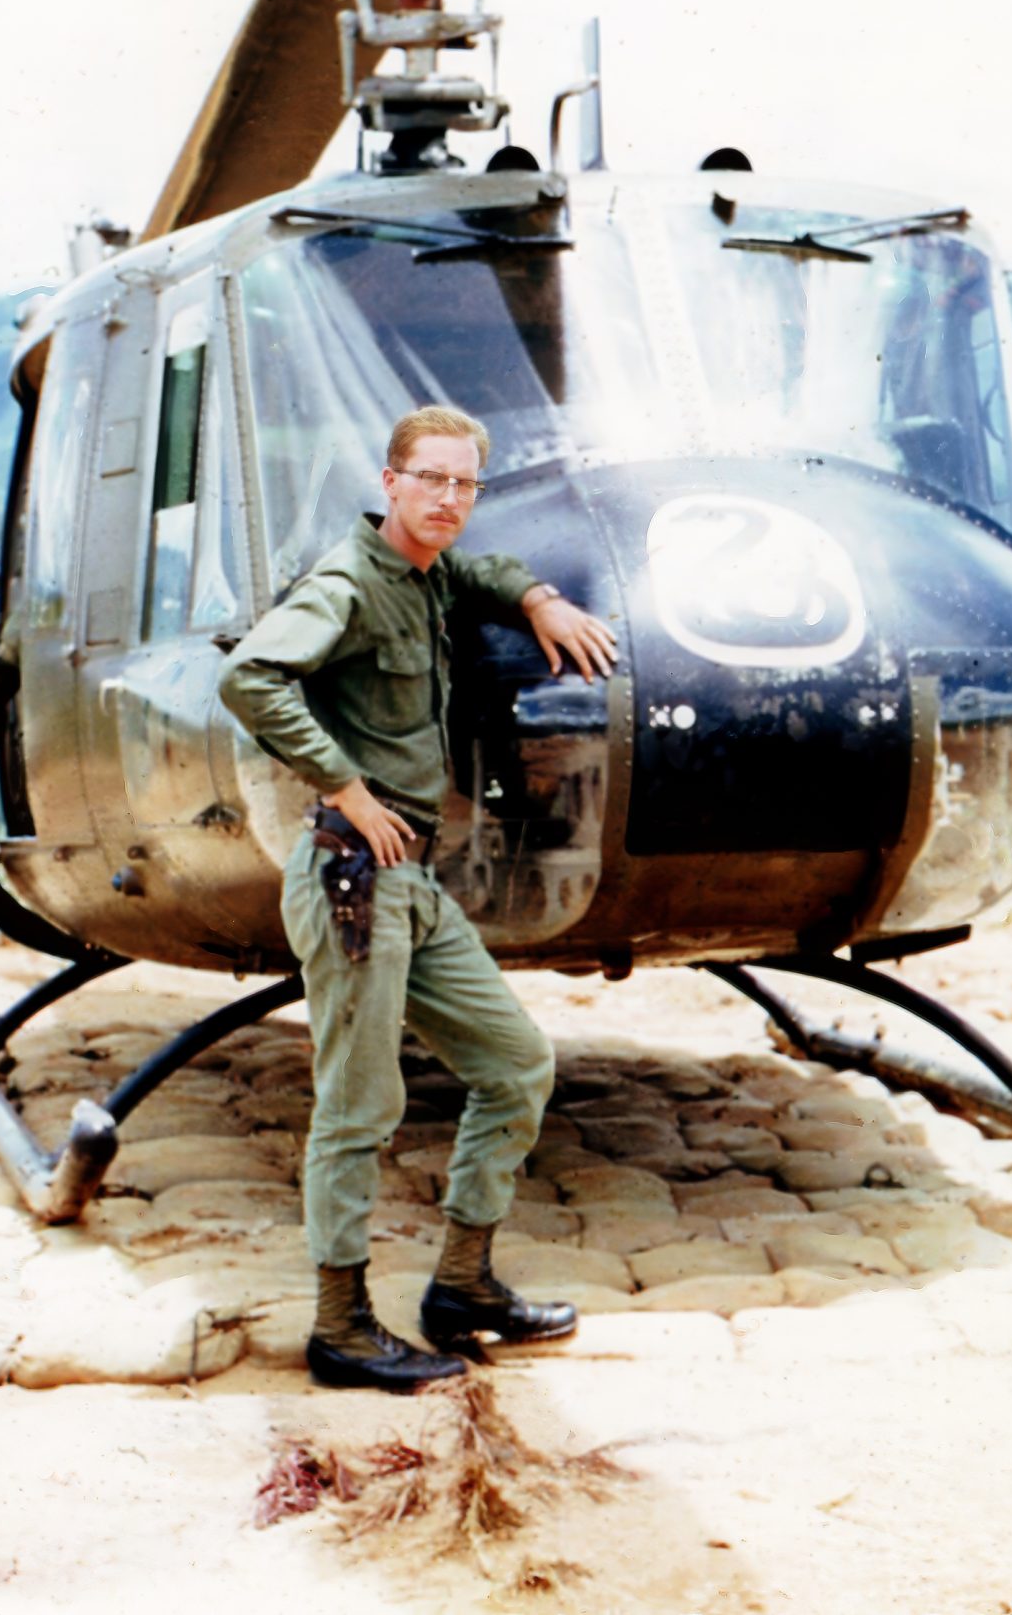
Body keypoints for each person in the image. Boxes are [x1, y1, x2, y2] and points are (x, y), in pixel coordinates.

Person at [218, 404, 619, 1393]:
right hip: (353, 874)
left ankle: (462, 1285)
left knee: (516, 1065)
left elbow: (478, 570)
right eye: (429, 478)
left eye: (464, 484)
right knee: (359, 1108)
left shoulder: (426, 572)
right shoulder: (349, 583)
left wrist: (538, 599)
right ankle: (341, 1327)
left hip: (410, 881)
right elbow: (252, 676)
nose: (448, 498)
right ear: (389, 482)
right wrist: (345, 786)